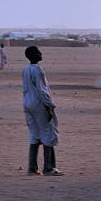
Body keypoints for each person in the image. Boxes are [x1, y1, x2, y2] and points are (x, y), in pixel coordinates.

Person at [22, 46, 62, 176]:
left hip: (28, 104)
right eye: (38, 52)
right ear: (34, 55)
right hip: (39, 105)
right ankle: (49, 168)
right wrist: (49, 105)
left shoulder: (26, 70)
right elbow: (42, 90)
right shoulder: (38, 70)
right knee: (48, 133)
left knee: (35, 135)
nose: (41, 54)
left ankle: (32, 168)